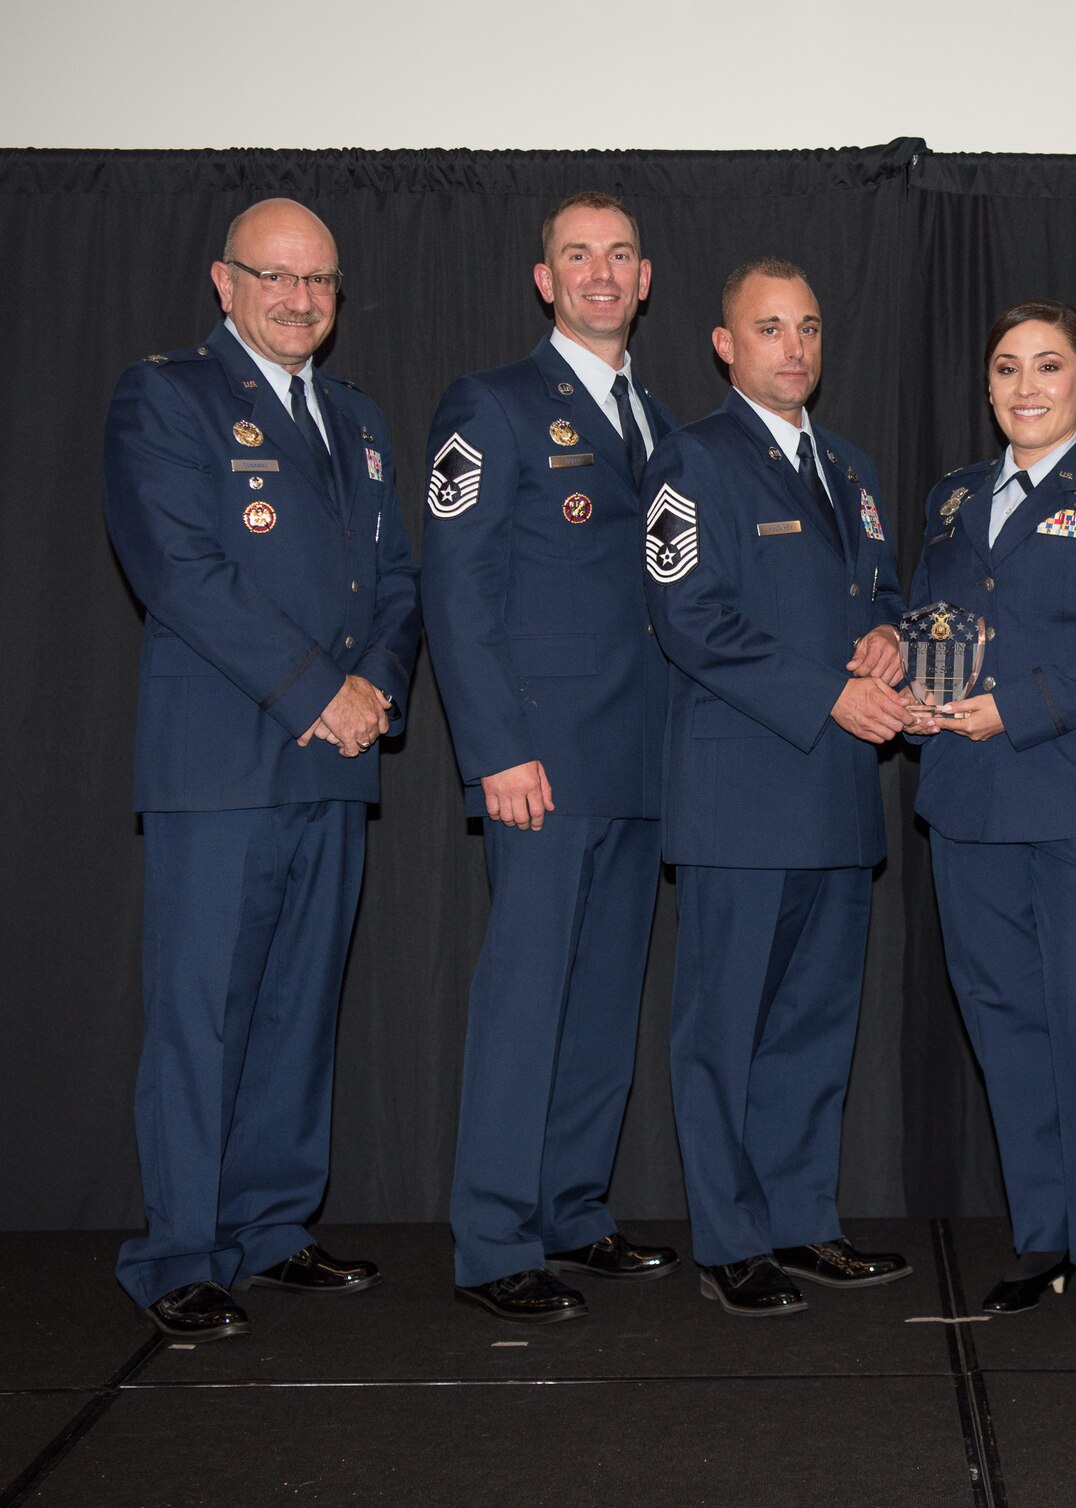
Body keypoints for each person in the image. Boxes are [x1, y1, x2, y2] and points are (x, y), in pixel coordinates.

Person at [101, 198, 421, 1341]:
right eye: (275, 276)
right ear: (222, 281)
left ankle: (271, 1228)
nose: (300, 298)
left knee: (297, 1010)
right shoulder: (167, 396)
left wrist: (375, 684)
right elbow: (178, 570)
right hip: (222, 764)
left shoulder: (357, 418)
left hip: (336, 760)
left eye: (320, 280)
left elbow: (396, 580)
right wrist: (312, 689)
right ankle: (179, 1249)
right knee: (205, 1016)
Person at [422, 192, 680, 1324]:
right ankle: (493, 1236)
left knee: (600, 999)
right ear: (544, 279)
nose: (599, 273)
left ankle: (574, 1209)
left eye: (618, 256)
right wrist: (496, 751)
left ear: (645, 276)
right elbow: (457, 589)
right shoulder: (493, 404)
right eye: (577, 256)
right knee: (527, 1001)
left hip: (641, 761)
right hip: (541, 763)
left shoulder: (662, 420)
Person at [643, 258, 915, 1316]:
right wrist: (827, 696)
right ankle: (730, 1237)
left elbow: (880, 586)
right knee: (721, 1030)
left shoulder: (847, 465)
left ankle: (804, 1219)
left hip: (839, 797)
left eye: (806, 326)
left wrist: (891, 629)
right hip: (742, 796)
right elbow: (691, 619)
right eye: (768, 328)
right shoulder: (690, 461)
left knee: (811, 1025)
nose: (792, 347)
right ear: (724, 344)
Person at [910, 301, 1076, 1331]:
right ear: (986, 385)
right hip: (969, 798)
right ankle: (1042, 1231)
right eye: (1006, 368)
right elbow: (927, 623)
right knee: (1006, 1025)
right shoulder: (947, 498)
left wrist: (1012, 708)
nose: (1025, 385)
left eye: (1048, 366)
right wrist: (897, 671)